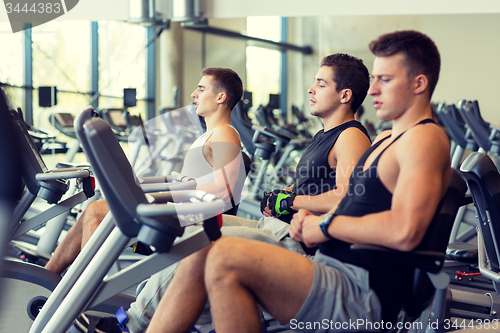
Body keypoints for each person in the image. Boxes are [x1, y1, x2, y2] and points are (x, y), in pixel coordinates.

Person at [144, 30, 451, 333]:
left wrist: (323, 224)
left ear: (418, 83)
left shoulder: (422, 138)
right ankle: (139, 324)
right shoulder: (389, 138)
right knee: (205, 248)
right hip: (335, 266)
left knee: (218, 252)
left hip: (359, 290)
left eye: (385, 80)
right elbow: (354, 201)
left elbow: (405, 231)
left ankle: (134, 324)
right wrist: (297, 204)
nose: (372, 91)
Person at [72, 53, 373, 333]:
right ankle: (148, 308)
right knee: (192, 232)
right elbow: (312, 185)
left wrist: (293, 201)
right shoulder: (325, 135)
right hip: (276, 226)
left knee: (199, 242)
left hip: (298, 244)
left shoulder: (351, 136)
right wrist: (282, 195)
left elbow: (347, 197)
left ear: (345, 95)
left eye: (320, 84)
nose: (310, 89)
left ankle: (132, 324)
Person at [45, 67, 245, 274]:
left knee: (96, 212)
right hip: (181, 211)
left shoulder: (224, 134)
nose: (194, 94)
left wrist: (158, 197)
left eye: (201, 89)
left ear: (221, 97)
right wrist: (140, 185)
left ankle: (79, 292)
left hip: (191, 222)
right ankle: (48, 277)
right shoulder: (211, 134)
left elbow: (224, 191)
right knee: (92, 209)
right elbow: (188, 180)